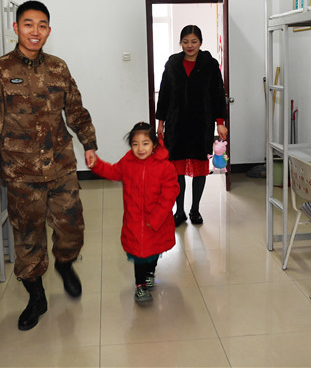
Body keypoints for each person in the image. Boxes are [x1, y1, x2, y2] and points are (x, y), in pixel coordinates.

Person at [0, 0, 98, 331]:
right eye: (28, 24)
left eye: (42, 25)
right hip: (21, 172)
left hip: (61, 163)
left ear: (48, 30)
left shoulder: (58, 68)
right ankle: (36, 296)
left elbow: (75, 109)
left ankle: (65, 264)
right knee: (28, 238)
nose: (35, 31)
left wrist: (89, 143)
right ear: (16, 28)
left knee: (72, 228)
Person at [89, 122, 180, 303]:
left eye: (145, 143)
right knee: (139, 255)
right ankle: (140, 286)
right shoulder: (128, 162)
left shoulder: (164, 166)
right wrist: (96, 164)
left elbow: (170, 194)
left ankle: (150, 273)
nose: (140, 149)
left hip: (157, 222)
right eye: (135, 144)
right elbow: (112, 171)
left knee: (154, 252)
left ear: (154, 144)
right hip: (135, 221)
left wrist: (156, 219)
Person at [156, 25, 227, 227]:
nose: (190, 46)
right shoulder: (172, 64)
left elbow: (217, 94)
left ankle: (195, 210)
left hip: (201, 125)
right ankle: (179, 212)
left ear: (200, 43)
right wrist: (160, 122)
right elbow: (164, 94)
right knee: (176, 171)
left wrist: (220, 123)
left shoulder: (210, 64)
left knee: (200, 169)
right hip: (176, 125)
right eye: (186, 42)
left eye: (194, 41)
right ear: (180, 43)